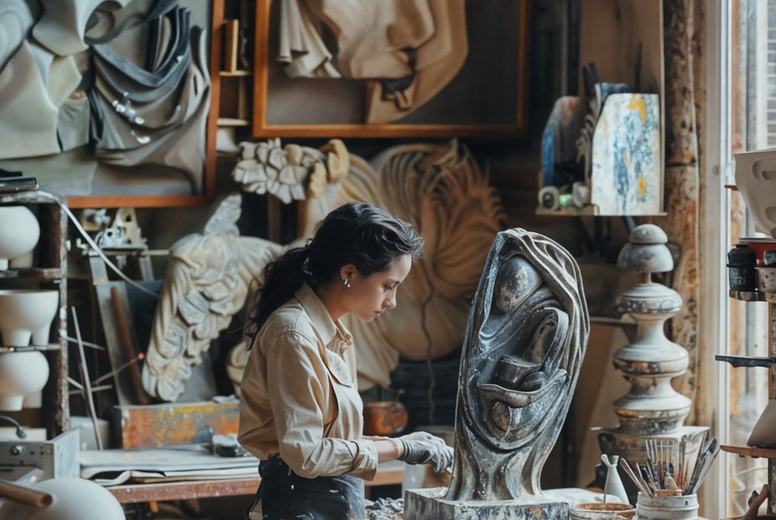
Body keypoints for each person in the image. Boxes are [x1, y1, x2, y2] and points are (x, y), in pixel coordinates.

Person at [238, 201, 454, 520]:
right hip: (301, 507)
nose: (392, 301)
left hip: (336, 503)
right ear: (349, 273)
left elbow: (338, 443)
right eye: (387, 286)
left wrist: (404, 441)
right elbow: (307, 455)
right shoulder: (294, 334)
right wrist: (401, 449)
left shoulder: (336, 333)